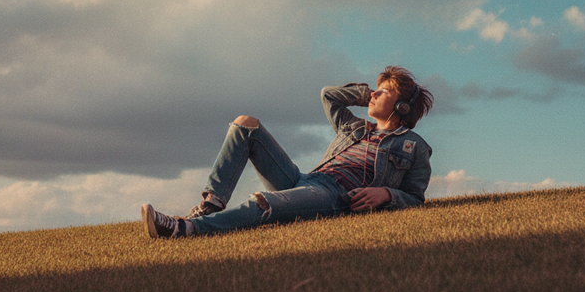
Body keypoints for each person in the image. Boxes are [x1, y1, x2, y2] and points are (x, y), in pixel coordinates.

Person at [142, 66, 434, 239]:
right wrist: (364, 93)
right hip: (305, 180)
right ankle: (210, 206)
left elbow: (415, 199)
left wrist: (385, 194)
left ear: (402, 107)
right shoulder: (355, 127)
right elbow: (328, 95)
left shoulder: (415, 147)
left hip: (334, 197)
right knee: (246, 125)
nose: (374, 93)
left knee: (265, 203)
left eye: (384, 92)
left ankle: (187, 229)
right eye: (376, 89)